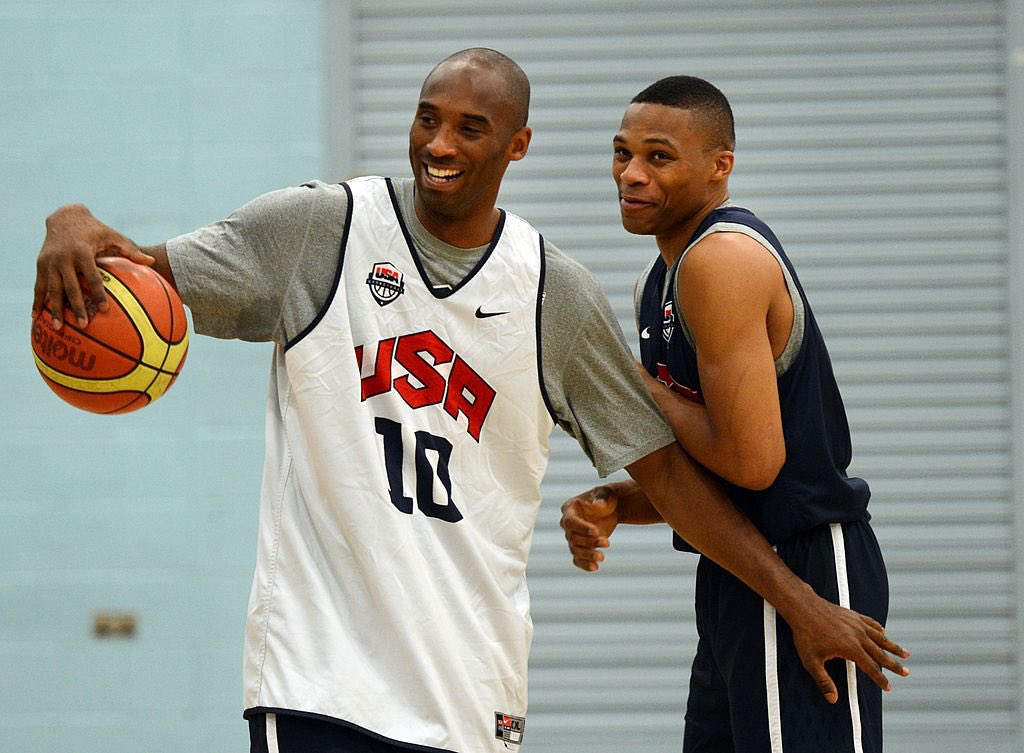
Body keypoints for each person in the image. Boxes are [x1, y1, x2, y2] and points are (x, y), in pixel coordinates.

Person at [33, 51, 906, 753]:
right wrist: (70, 219)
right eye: (427, 117)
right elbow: (144, 276)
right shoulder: (317, 229)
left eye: (469, 127)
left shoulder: (555, 290)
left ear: (516, 146)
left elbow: (679, 473)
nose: (439, 143)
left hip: (470, 683)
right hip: (315, 673)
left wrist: (797, 597)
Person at [561, 76, 902, 752]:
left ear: (721, 166)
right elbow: (722, 463)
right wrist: (620, 503)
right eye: (621, 152)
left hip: (805, 562)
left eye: (658, 156)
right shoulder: (657, 281)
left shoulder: (721, 261)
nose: (630, 173)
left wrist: (628, 385)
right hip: (738, 567)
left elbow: (753, 462)